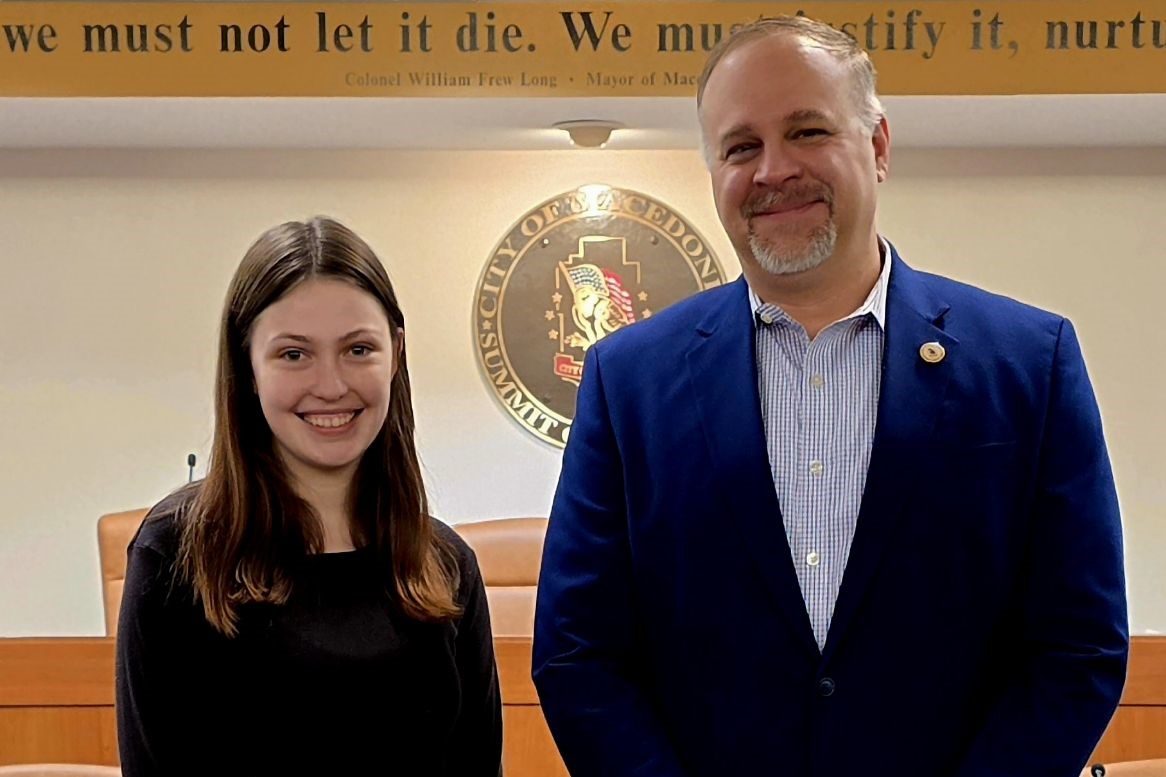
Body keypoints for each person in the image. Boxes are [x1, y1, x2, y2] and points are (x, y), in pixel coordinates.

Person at [532, 15, 1127, 777]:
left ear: (877, 147)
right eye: (741, 146)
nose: (773, 169)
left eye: (808, 132)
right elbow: (579, 651)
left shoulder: (1029, 364)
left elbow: (1078, 647)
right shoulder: (627, 381)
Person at [116, 217, 502, 776]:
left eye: (358, 349)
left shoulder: (444, 563)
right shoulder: (178, 551)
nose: (330, 385)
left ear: (395, 354)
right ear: (247, 365)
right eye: (294, 354)